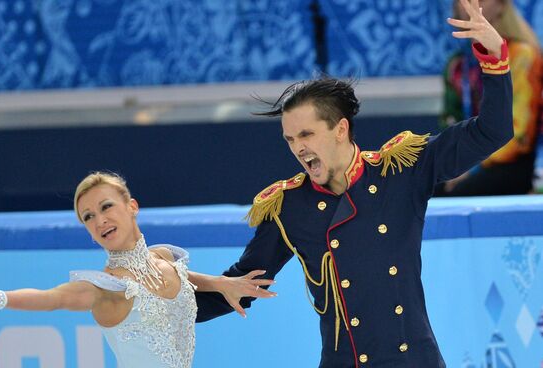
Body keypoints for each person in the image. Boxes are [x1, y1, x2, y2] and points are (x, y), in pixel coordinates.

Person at [194, 1, 513, 366]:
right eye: (290, 139)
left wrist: (493, 56)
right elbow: (241, 287)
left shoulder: (401, 170)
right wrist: (160, 302)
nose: (298, 148)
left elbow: (493, 131)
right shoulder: (289, 207)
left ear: (340, 129)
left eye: (306, 134)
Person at [0, 171, 276, 368]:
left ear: (131, 207)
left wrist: (221, 283)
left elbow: (181, 279)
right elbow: (51, 299)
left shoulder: (164, 258)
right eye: (88, 217)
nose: (99, 220)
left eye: (105, 207)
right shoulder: (105, 287)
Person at [437, 0, 542, 195]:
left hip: (509, 162)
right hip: (467, 157)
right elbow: (449, 124)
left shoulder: (522, 56)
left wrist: (474, 165)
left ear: (502, 5)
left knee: (460, 192)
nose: (473, 5)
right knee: (425, 189)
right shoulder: (458, 65)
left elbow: (518, 135)